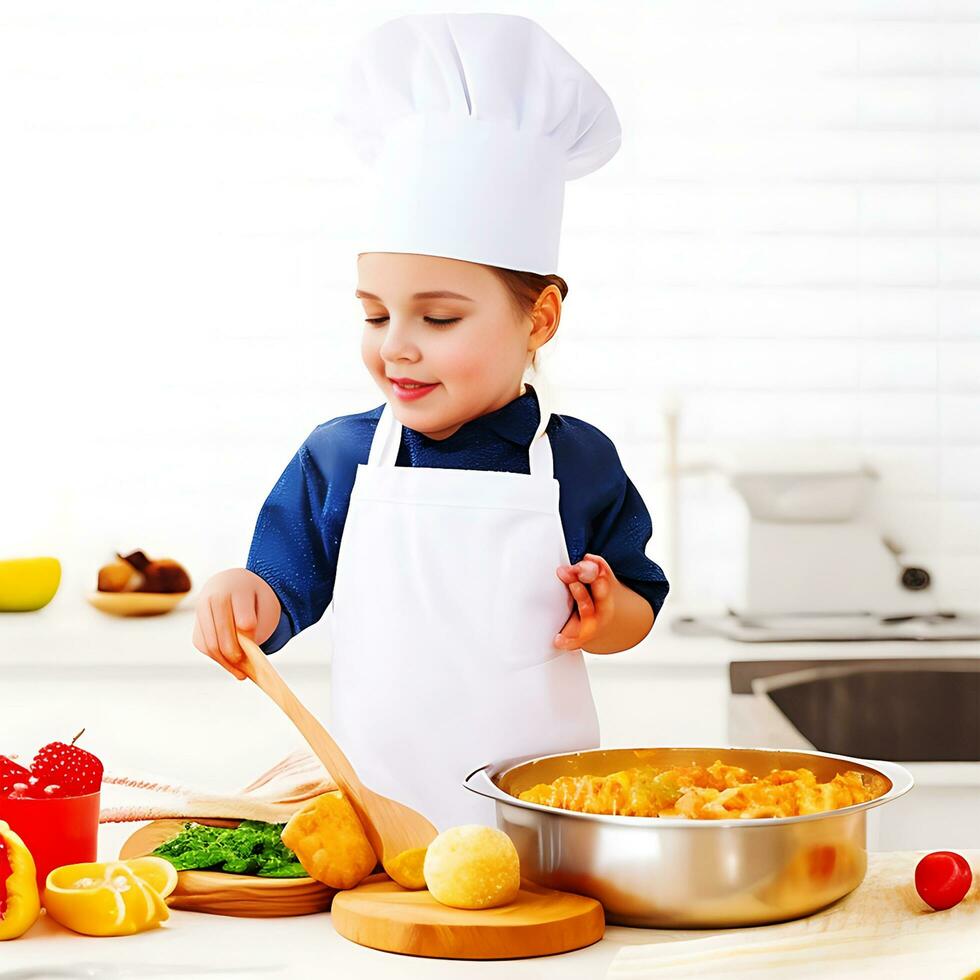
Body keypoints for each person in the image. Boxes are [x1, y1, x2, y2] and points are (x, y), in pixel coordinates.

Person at [192, 12, 669, 829]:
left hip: (547, 813)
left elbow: (638, 608)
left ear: (540, 318)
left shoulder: (580, 460)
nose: (397, 349)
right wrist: (244, 597)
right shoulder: (339, 456)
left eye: (438, 319)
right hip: (380, 814)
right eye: (376, 316)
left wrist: (605, 613)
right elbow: (285, 593)